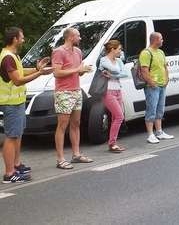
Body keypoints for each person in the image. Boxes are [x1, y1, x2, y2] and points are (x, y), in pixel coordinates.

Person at [1, 27, 51, 183]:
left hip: (17, 101)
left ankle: (16, 165)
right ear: (15, 39)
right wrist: (39, 74)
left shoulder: (12, 55)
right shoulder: (8, 57)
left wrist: (37, 69)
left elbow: (20, 71)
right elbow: (17, 80)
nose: (23, 39)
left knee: (18, 134)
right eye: (21, 37)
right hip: (10, 103)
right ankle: (9, 174)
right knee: (11, 137)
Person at [51, 27, 94, 169]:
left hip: (76, 90)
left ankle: (76, 154)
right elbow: (57, 73)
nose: (80, 38)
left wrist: (83, 70)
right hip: (63, 92)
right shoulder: (58, 52)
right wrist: (77, 70)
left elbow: (78, 72)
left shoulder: (78, 52)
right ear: (70, 37)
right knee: (62, 125)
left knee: (76, 123)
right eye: (78, 35)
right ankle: (60, 159)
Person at [140, 32, 173, 144]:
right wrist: (151, 82)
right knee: (151, 109)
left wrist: (167, 78)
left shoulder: (161, 52)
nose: (163, 41)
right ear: (155, 40)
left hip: (162, 84)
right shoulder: (146, 53)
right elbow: (144, 70)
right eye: (161, 39)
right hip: (152, 86)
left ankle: (159, 131)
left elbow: (165, 67)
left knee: (160, 109)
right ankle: (150, 134)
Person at [98, 40, 129, 152]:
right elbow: (116, 69)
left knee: (116, 117)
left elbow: (125, 73)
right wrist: (115, 73)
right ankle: (112, 143)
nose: (121, 51)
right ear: (112, 49)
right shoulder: (103, 60)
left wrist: (112, 75)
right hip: (108, 91)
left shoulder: (119, 60)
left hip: (118, 90)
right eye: (119, 49)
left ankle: (112, 143)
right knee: (119, 116)